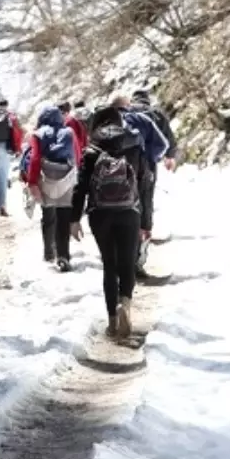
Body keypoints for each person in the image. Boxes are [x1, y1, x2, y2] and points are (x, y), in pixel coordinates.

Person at [71, 106, 152, 339]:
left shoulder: (91, 149)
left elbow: (81, 187)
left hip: (100, 213)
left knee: (110, 264)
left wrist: (74, 219)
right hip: (130, 211)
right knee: (127, 261)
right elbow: (145, 184)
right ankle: (124, 303)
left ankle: (112, 321)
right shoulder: (134, 144)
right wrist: (145, 222)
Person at [114, 90, 176, 271]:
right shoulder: (154, 115)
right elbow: (166, 142)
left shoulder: (114, 117)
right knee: (145, 202)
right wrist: (153, 158)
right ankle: (140, 248)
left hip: (117, 169)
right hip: (145, 169)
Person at [25, 106, 80, 271]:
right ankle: (64, 255)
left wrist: (32, 182)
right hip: (66, 178)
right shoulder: (69, 132)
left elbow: (34, 159)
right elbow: (76, 155)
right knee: (64, 216)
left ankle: (49, 252)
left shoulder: (38, 134)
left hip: (46, 177)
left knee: (48, 215)